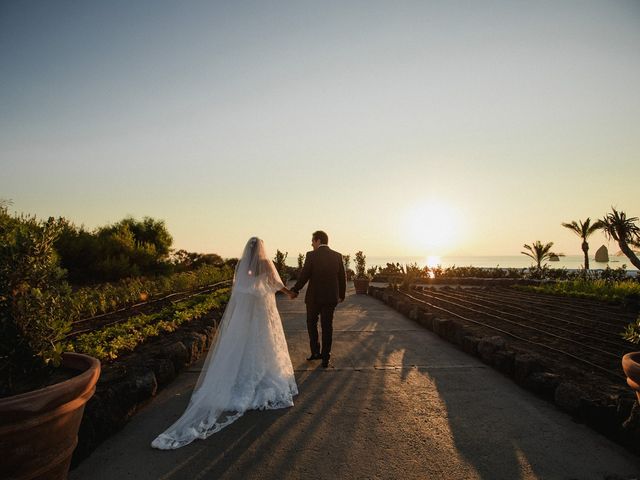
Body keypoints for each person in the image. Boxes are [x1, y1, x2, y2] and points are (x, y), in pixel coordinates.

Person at [151, 237, 298, 450]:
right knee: (263, 342)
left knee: (245, 341)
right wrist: (289, 293)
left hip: (247, 310)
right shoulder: (265, 263)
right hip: (262, 309)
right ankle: (261, 378)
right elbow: (275, 283)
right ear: (261, 249)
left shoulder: (244, 265)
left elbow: (242, 284)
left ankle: (238, 377)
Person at [290, 230, 346, 368]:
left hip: (313, 298)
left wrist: (295, 289)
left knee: (311, 324)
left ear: (318, 241)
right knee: (327, 327)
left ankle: (315, 352)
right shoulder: (337, 256)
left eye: (313, 241)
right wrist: (341, 295)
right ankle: (325, 358)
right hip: (330, 298)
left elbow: (304, 276)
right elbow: (342, 278)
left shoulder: (311, 256)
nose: (311, 244)